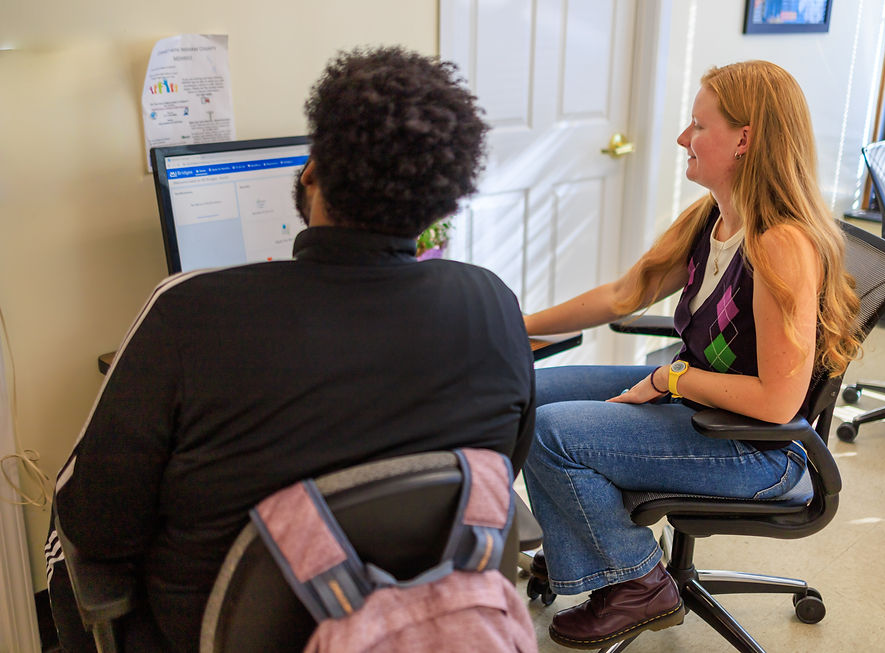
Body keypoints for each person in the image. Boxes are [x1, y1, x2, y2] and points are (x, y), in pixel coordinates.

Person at [48, 46, 535, 653]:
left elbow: (93, 524)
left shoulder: (186, 312)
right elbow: (499, 470)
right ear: (442, 200)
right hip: (420, 626)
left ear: (312, 170)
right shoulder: (491, 301)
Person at [521, 60, 861, 649]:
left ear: (745, 139)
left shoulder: (779, 243)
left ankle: (637, 582)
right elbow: (623, 294)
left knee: (551, 431)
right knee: (521, 393)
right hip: (704, 407)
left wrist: (671, 379)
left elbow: (779, 401)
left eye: (698, 125)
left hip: (758, 448)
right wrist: (513, 328)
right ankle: (584, 542)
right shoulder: (714, 217)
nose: (684, 138)